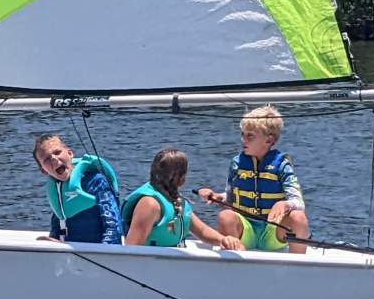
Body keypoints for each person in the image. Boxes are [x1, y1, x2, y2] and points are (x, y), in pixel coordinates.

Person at [197, 105, 311, 254]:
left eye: (250, 136)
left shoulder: (282, 165)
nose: (243, 140)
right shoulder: (237, 164)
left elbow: (299, 203)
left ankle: (298, 268)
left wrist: (286, 204)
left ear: (269, 140)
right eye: (242, 134)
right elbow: (231, 199)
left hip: (273, 231)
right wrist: (218, 197)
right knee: (225, 216)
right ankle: (237, 260)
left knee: (298, 217)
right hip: (246, 230)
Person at [123, 149, 242, 249]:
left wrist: (225, 240)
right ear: (181, 178)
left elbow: (202, 232)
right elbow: (132, 246)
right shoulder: (150, 204)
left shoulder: (178, 201)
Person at [34, 134, 123, 244]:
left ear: (70, 154)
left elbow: (113, 225)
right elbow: (57, 224)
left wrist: (105, 250)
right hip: (72, 250)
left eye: (57, 152)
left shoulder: (96, 181)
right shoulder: (56, 189)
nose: (54, 159)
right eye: (47, 159)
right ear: (43, 170)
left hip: (98, 249)